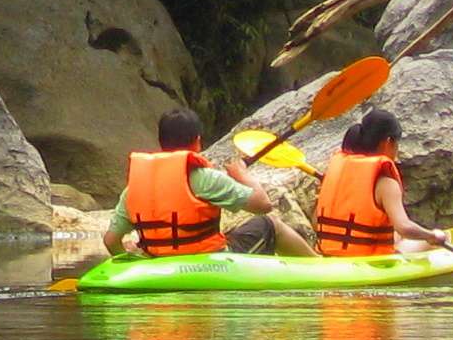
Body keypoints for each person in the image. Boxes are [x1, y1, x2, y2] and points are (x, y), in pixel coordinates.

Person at [109, 108, 314, 259]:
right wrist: (242, 174)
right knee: (270, 225)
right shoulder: (206, 178)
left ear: (162, 142)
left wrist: (134, 261)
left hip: (158, 261)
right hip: (210, 260)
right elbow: (263, 205)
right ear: (197, 141)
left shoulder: (133, 189)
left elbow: (110, 241)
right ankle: (318, 265)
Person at [311, 107, 453, 257]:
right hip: (370, 262)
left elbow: (316, 222)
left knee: (395, 236)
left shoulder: (336, 172)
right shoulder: (385, 182)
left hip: (328, 256)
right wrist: (432, 236)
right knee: (443, 236)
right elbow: (404, 227)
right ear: (388, 142)